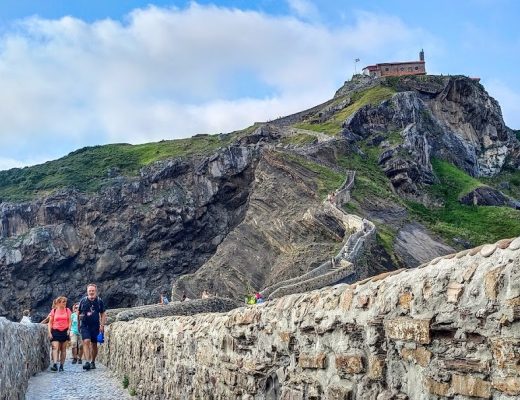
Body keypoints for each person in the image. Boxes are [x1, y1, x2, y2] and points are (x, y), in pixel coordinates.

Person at [78, 283, 106, 371]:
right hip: (85, 325)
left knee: (94, 344)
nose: (91, 292)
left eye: (93, 290)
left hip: (95, 326)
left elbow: (103, 313)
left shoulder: (99, 301)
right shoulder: (83, 301)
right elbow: (78, 313)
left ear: (95, 291)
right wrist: (78, 323)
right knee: (86, 341)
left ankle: (93, 361)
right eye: (90, 291)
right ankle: (87, 362)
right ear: (87, 291)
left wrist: (102, 325)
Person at [48, 296, 72, 372]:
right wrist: (49, 332)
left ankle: (61, 365)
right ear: (58, 302)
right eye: (63, 302)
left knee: (63, 349)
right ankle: (55, 364)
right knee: (55, 347)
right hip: (55, 330)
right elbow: (50, 323)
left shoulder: (67, 310)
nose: (65, 303)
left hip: (65, 330)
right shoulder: (54, 311)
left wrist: (69, 329)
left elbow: (70, 321)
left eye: (65, 302)